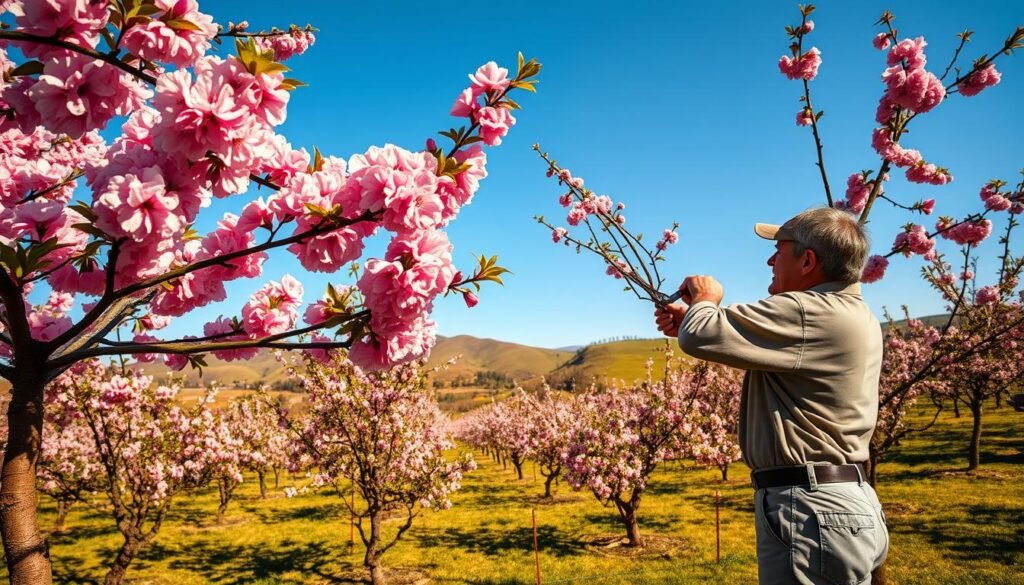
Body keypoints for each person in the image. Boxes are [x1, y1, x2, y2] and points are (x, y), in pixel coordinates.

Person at [654, 207, 889, 585]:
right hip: (839, 502)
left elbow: (701, 335)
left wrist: (706, 298)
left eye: (778, 250)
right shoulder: (850, 313)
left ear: (808, 260)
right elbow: (707, 333)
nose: (769, 260)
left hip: (810, 509)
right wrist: (693, 320)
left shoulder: (806, 311)